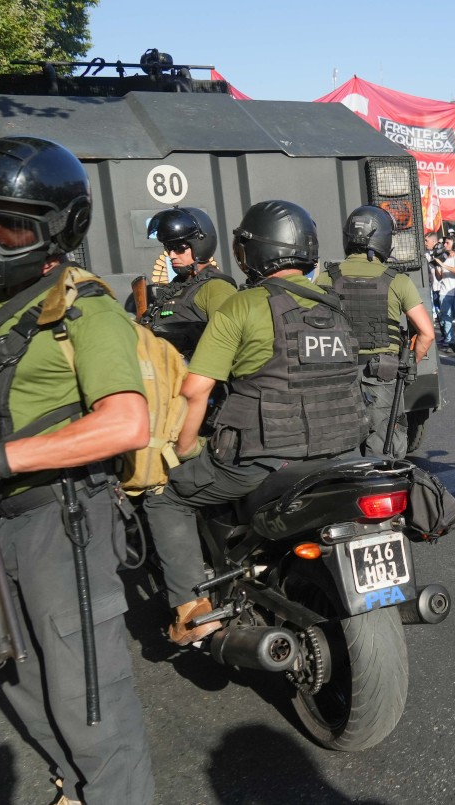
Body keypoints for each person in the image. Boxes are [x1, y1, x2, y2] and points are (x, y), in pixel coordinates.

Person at [0, 135, 155, 803]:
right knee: (22, 677)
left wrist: (1, 457)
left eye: (9, 227)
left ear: (56, 231)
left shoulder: (83, 310)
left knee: (91, 701)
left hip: (61, 523)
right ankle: (76, 784)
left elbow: (128, 422)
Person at [145, 199, 368, 649]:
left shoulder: (242, 305)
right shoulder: (336, 309)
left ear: (256, 252)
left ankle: (193, 612)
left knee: (166, 498)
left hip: (267, 456)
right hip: (341, 454)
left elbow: (195, 391)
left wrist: (186, 449)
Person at [321, 207, 434, 456]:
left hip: (338, 373)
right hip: (383, 377)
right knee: (383, 451)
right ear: (384, 239)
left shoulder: (326, 278)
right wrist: (407, 365)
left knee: (338, 444)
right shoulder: (398, 281)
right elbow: (427, 333)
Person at [139, 207, 237, 358]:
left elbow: (229, 346)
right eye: (168, 248)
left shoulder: (216, 288)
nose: (171, 255)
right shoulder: (176, 288)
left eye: (179, 248)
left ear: (200, 246)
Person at [430, 234, 455, 352]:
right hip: (444, 292)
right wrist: (436, 267)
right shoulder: (442, 256)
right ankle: (449, 341)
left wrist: (442, 265)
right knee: (446, 317)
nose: (445, 245)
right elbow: (439, 277)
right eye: (444, 243)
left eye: (447, 243)